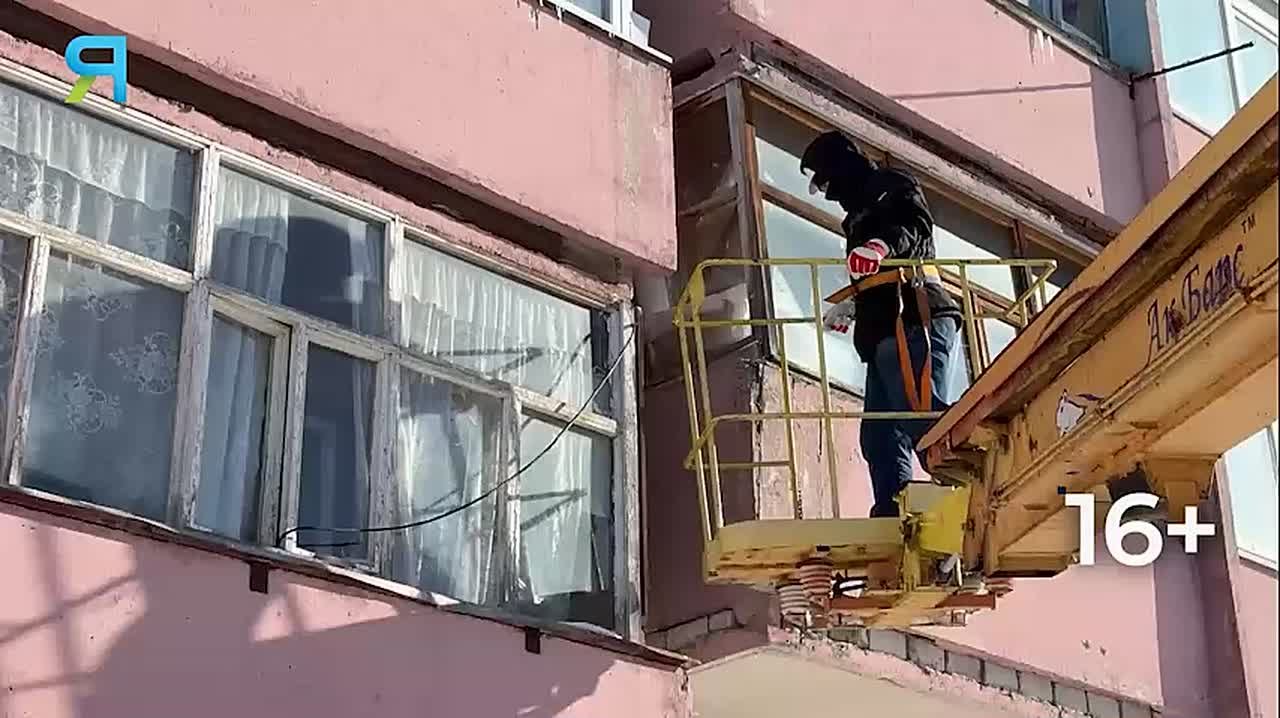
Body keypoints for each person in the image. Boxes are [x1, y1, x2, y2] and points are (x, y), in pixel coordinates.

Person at [800, 130, 963, 519]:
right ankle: (893, 509)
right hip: (884, 330)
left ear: (840, 167)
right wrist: (854, 304)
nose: (826, 192)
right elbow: (876, 274)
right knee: (879, 435)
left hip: (915, 315)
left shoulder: (891, 184)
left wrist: (879, 247)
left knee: (918, 414)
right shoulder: (856, 216)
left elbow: (916, 229)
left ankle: (971, 471)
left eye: (824, 180)